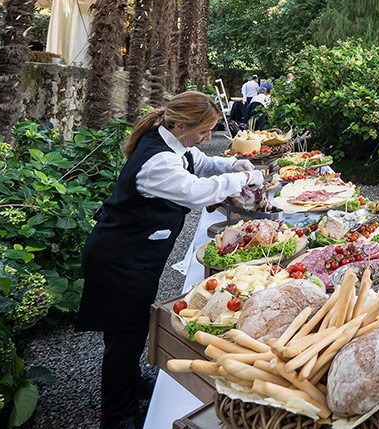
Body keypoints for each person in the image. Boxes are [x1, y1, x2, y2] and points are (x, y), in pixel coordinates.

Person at [76, 92, 264, 429]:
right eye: (204, 132)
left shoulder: (171, 141)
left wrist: (233, 164)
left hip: (134, 256)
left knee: (130, 329)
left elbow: (200, 162)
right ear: (180, 124)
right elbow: (197, 192)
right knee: (124, 336)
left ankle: (129, 384)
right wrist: (245, 178)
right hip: (119, 258)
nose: (208, 138)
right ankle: (116, 414)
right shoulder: (157, 161)